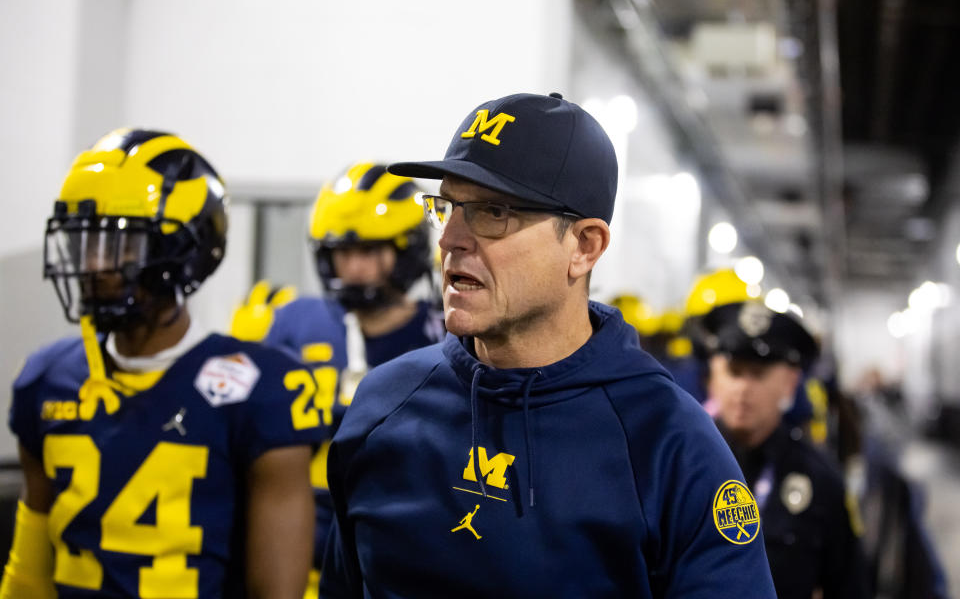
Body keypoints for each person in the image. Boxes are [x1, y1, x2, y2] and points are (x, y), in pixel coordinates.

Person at [319, 92, 776, 597]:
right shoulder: (384, 407)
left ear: (584, 246)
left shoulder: (670, 445)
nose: (450, 238)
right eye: (447, 206)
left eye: (493, 211)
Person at [1, 129, 326, 598]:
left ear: (183, 254)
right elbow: (29, 576)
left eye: (119, 245)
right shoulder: (47, 378)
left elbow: (276, 592)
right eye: (84, 243)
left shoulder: (264, 387)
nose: (94, 265)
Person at [229, 161, 444, 590]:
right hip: (299, 539)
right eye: (344, 253)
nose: (354, 267)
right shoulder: (290, 324)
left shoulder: (441, 331)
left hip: (399, 539)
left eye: (368, 251)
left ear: (407, 249)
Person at [700, 299, 869, 599]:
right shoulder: (681, 464)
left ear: (790, 383)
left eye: (758, 374)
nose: (742, 388)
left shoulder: (820, 480)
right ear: (713, 378)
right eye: (734, 371)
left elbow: (850, 585)